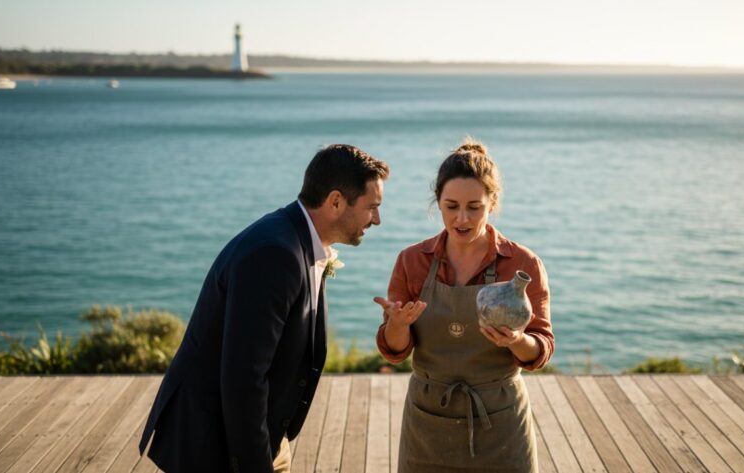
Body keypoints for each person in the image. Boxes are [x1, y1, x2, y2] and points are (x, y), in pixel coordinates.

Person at [140, 145, 389, 473]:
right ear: (336, 201)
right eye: (372, 207)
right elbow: (244, 378)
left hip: (260, 436)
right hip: (215, 446)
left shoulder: (300, 240)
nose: (377, 220)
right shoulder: (276, 254)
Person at [374, 140, 553, 473]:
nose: (461, 218)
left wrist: (516, 341)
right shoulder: (412, 261)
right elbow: (395, 352)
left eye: (475, 207)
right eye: (451, 205)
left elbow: (540, 351)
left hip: (500, 423)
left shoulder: (521, 263)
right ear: (437, 202)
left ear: (493, 202)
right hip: (428, 421)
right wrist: (396, 325)